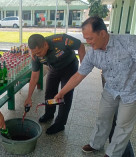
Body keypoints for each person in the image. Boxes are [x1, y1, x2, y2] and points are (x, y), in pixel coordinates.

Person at [54, 16, 136, 157]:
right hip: (110, 89)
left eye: (90, 38)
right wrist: (61, 92)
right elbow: (79, 75)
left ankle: (112, 154)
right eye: (86, 38)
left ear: (102, 34)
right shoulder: (92, 53)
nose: (88, 42)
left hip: (131, 92)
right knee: (102, 118)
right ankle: (96, 144)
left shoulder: (129, 42)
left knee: (123, 126)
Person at [24, 33, 86, 135]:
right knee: (49, 93)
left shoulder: (61, 40)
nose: (37, 55)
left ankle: (60, 124)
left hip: (69, 67)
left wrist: (84, 67)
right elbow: (34, 77)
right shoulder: (35, 55)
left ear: (45, 44)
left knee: (65, 95)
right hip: (54, 68)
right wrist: (29, 97)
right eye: (34, 53)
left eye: (39, 52)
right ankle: (49, 114)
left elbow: (80, 46)